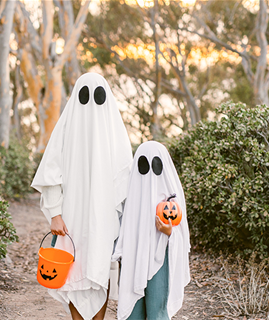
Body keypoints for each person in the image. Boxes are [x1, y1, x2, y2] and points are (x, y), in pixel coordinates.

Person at [31, 73, 133, 320]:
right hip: (72, 216)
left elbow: (126, 177)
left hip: (105, 217)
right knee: (74, 269)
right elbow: (50, 175)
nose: (91, 104)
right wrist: (55, 214)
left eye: (97, 96)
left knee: (100, 269)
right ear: (76, 97)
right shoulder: (65, 131)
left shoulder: (115, 133)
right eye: (85, 96)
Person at [112, 141, 190, 320]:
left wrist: (169, 232)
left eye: (155, 164)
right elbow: (121, 227)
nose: (149, 171)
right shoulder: (131, 193)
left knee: (157, 311)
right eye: (143, 164)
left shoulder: (172, 196)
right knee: (133, 313)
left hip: (161, 259)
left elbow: (183, 235)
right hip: (133, 260)